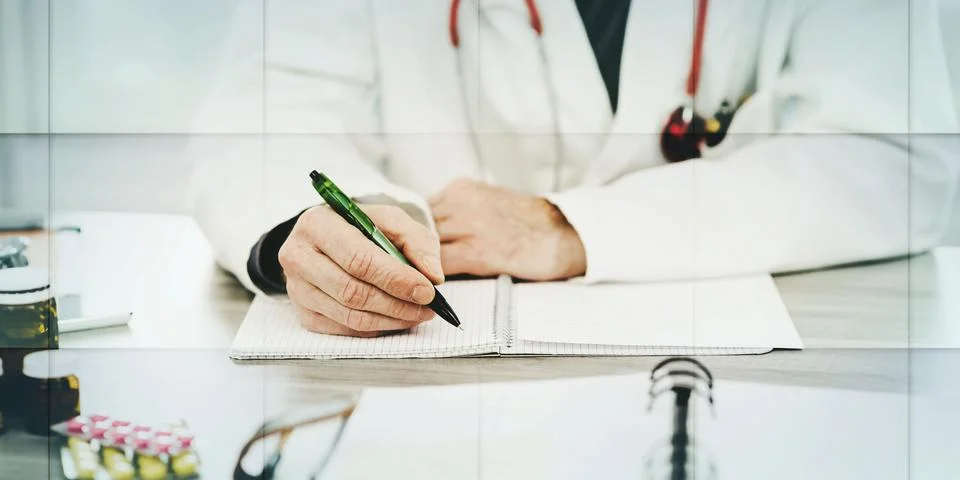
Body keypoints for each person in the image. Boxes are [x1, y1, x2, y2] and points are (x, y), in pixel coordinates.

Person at [189, 0, 959, 337]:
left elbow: (890, 154)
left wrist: (573, 227)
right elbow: (258, 118)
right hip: (417, 392)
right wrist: (315, 230)